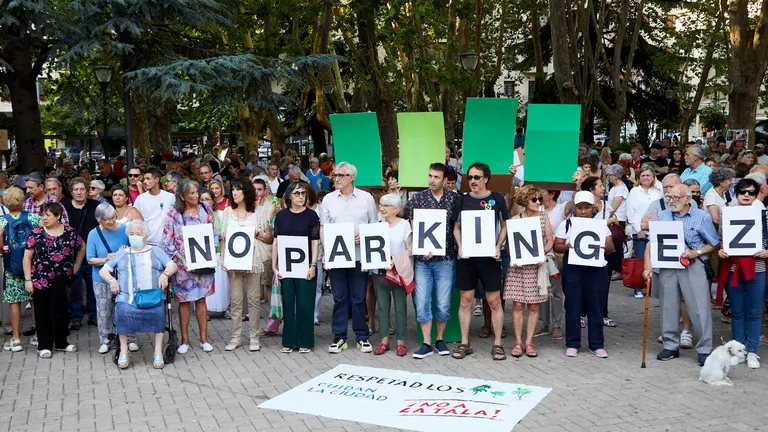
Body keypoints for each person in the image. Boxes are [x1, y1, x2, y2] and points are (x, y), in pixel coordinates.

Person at [643, 184, 719, 366]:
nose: (671, 200)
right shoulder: (663, 215)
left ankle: (704, 349)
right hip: (667, 265)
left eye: (676, 197)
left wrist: (697, 252)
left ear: (687, 198)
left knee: (699, 308)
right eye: (669, 197)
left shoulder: (701, 217)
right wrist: (648, 266)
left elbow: (714, 243)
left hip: (692, 265)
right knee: (668, 307)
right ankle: (670, 346)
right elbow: (652, 242)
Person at [100, 220, 178, 369]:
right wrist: (112, 281)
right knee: (122, 312)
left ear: (145, 236)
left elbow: (172, 264)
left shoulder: (155, 250)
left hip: (152, 297)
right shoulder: (122, 252)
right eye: (131, 234)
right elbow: (104, 270)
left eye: (138, 233)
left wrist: (165, 275)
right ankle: (124, 350)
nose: (134, 236)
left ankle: (157, 352)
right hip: (127, 297)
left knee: (158, 314)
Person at [452, 162, 510, 360]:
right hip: (468, 258)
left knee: (494, 301)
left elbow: (504, 226)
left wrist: (498, 246)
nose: (473, 181)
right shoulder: (462, 200)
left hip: (489, 258)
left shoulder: (497, 199)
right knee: (466, 300)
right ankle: (464, 343)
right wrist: (460, 245)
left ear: (486, 178)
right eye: (470, 177)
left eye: (477, 177)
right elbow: (456, 228)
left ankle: (498, 344)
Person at [320, 162, 378, 353]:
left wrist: (364, 236)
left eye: (340, 175)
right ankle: (339, 336)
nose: (336, 178)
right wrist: (326, 252)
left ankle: (362, 336)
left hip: (359, 256)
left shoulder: (366, 198)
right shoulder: (328, 199)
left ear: (352, 177)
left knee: (359, 297)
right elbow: (324, 227)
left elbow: (374, 225)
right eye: (334, 175)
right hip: (337, 256)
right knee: (339, 297)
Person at [404, 163, 459, 359]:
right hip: (423, 261)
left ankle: (440, 339)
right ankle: (426, 343)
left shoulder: (454, 199)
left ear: (445, 180)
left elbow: (458, 227)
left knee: (443, 303)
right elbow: (410, 226)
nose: (432, 180)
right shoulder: (417, 199)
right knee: (422, 301)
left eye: (436, 177)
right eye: (430, 176)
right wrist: (417, 248)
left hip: (446, 259)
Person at [554, 191, 614, 358]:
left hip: (596, 270)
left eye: (587, 208)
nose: (583, 211)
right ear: (575, 209)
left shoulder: (601, 225)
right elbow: (556, 246)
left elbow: (611, 247)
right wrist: (569, 247)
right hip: (573, 270)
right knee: (573, 306)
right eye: (580, 208)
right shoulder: (566, 224)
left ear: (592, 209)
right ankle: (573, 343)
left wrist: (603, 247)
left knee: (596, 306)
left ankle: (597, 344)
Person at [23, 202, 85, 358]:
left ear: (58, 216)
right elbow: (27, 258)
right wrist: (28, 280)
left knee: (61, 311)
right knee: (43, 312)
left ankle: (61, 342)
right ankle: (44, 345)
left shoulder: (69, 232)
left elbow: (82, 245)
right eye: (43, 215)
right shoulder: (36, 233)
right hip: (40, 280)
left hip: (62, 279)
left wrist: (77, 264)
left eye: (48, 215)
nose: (44, 218)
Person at [162, 180, 218, 354]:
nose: (195, 196)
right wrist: (182, 260)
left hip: (203, 262)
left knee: (201, 300)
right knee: (184, 302)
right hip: (183, 266)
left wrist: (210, 252)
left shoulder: (206, 209)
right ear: (182, 196)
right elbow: (166, 241)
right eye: (191, 193)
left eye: (196, 192)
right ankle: (185, 340)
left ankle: (204, 339)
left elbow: (213, 233)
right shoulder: (174, 213)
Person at [220, 178, 271, 352]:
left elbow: (270, 237)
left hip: (253, 259)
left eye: (239, 190)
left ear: (246, 192)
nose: (234, 193)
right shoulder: (227, 212)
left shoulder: (258, 212)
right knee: (235, 300)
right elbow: (224, 238)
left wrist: (259, 234)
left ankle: (254, 337)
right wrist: (222, 257)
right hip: (233, 260)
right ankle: (235, 337)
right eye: (233, 189)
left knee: (254, 299)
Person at [504, 186, 553, 359]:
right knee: (517, 304)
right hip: (519, 267)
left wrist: (543, 253)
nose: (538, 202)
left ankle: (529, 342)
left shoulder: (543, 217)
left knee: (533, 306)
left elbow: (550, 240)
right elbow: (510, 246)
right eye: (534, 199)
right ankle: (517, 342)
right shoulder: (516, 219)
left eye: (539, 199)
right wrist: (515, 254)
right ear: (525, 200)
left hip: (535, 267)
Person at [273, 182, 320, 353]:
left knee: (305, 303)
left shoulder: (312, 216)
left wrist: (313, 265)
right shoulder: (281, 216)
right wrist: (274, 266)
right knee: (287, 302)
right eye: (297, 193)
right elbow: (276, 242)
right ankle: (288, 340)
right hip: (286, 266)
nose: (301, 196)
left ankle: (305, 341)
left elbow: (315, 242)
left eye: (303, 193)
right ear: (289, 196)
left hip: (305, 265)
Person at [370, 194, 412, 356]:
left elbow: (409, 248)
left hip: (398, 271)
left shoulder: (404, 225)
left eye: (386, 205)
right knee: (382, 306)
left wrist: (396, 260)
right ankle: (384, 341)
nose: (382, 208)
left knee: (400, 306)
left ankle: (401, 342)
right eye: (381, 205)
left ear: (396, 209)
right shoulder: (376, 225)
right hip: (380, 270)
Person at [85, 203, 130, 354]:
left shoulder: (124, 229)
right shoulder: (93, 234)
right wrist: (105, 259)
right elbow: (90, 259)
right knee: (104, 310)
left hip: (123, 277)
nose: (111, 221)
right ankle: (106, 339)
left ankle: (129, 338)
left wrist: (126, 251)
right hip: (101, 278)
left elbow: (135, 249)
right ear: (99, 220)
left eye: (113, 217)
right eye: (107, 219)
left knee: (125, 307)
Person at [0, 187, 40, 352]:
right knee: (35, 300)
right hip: (32, 266)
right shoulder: (33, 217)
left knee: (14, 302)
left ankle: (16, 339)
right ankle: (39, 335)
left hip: (12, 266)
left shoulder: (2, 220)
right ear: (22, 201)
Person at [578, 175, 620, 324]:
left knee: (603, 282)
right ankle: (582, 314)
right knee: (584, 282)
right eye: (600, 185)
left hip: (604, 246)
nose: (603, 188)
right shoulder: (582, 206)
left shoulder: (605, 204)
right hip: (586, 247)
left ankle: (603, 313)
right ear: (591, 189)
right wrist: (608, 221)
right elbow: (587, 224)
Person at [62, 177, 101, 330]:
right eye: (76, 190)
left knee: (94, 287)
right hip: (72, 255)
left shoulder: (96, 206)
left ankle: (93, 315)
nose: (79, 192)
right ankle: (75, 317)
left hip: (93, 254)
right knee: (74, 289)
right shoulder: (64, 207)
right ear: (71, 192)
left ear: (87, 191)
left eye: (82, 189)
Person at [627, 163, 663, 285]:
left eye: (648, 175)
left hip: (655, 229)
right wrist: (638, 230)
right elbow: (630, 213)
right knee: (640, 259)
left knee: (655, 259)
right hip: (640, 231)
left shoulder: (658, 191)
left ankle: (652, 285)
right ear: (639, 177)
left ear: (653, 177)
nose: (646, 178)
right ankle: (638, 286)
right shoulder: (634, 191)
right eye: (643, 175)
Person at [133, 169, 175, 246]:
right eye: (144, 179)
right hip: (147, 243)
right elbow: (135, 220)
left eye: (148, 179)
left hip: (166, 243)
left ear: (156, 180)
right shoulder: (140, 199)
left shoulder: (170, 197)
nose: (145, 182)